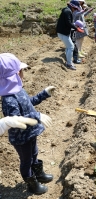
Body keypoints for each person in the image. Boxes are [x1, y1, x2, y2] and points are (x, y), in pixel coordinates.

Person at [0, 53, 55, 195]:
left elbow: (28, 103)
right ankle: (32, 183)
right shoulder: (9, 100)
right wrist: (37, 115)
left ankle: (39, 174)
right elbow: (16, 119)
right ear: (14, 75)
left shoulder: (18, 91)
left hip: (30, 133)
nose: (23, 73)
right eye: (21, 71)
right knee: (26, 160)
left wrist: (43, 94)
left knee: (34, 153)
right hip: (21, 138)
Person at [56, 0, 82, 70]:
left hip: (62, 32)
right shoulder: (67, 11)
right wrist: (76, 28)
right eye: (75, 9)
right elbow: (68, 23)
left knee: (69, 47)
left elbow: (68, 22)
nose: (75, 10)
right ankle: (69, 64)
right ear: (72, 6)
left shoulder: (66, 10)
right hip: (63, 33)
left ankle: (68, 61)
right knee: (71, 47)